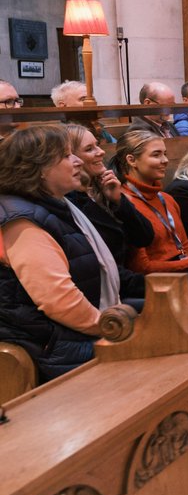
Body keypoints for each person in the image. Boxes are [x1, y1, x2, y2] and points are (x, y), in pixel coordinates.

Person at [0, 125, 142, 381]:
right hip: (54, 346)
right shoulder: (22, 221)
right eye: (66, 156)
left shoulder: (57, 204)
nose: (77, 161)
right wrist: (108, 327)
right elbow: (59, 301)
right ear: (39, 168)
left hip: (70, 334)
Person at [64, 123, 153, 266]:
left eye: (97, 145)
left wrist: (119, 201)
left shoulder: (104, 188)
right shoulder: (71, 201)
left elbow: (144, 238)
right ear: (71, 158)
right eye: (89, 149)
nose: (101, 152)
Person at [114, 129, 188, 277]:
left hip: (184, 266)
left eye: (164, 153)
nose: (165, 160)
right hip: (156, 278)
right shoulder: (124, 203)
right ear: (132, 160)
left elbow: (185, 246)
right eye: (156, 155)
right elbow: (142, 266)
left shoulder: (167, 199)